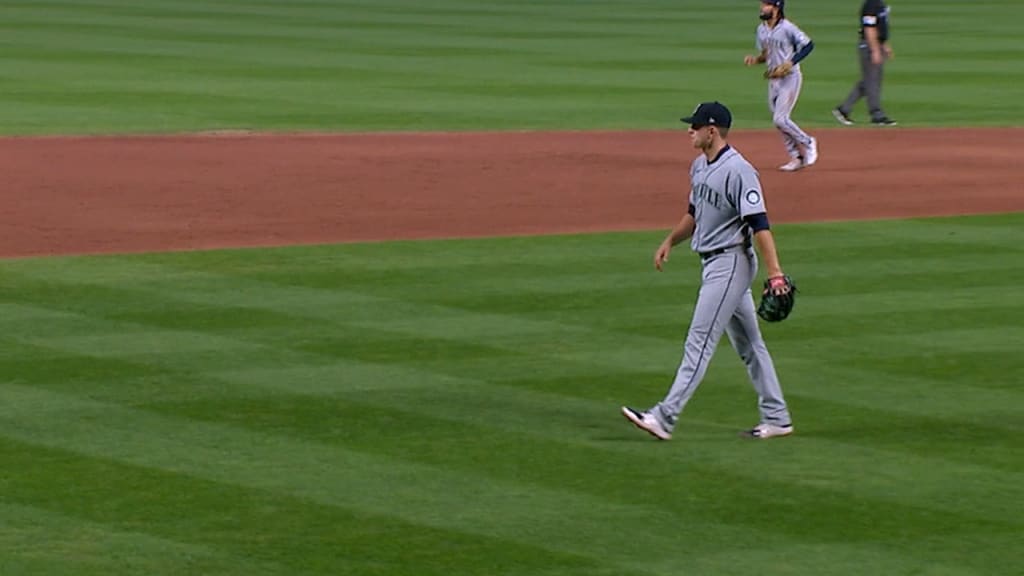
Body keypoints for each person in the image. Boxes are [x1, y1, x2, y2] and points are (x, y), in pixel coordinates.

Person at [621, 101, 795, 441]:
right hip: (713, 262)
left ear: (711, 131)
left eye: (695, 126)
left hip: (732, 262)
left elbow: (760, 224)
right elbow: (694, 213)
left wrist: (774, 273)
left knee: (698, 341)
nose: (689, 130)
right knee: (749, 344)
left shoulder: (740, 171)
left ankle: (664, 417)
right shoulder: (699, 166)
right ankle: (777, 416)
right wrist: (670, 240)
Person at [744, 0, 818, 172]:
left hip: (790, 78)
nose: (762, 8)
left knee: (780, 119)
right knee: (779, 122)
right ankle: (796, 157)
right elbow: (765, 54)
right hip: (773, 80)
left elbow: (809, 45)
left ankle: (808, 142)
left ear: (776, 8)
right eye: (762, 4)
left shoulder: (787, 28)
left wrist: (790, 63)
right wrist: (755, 60)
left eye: (766, 5)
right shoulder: (761, 29)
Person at [833, 0, 897, 126]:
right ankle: (876, 113)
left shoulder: (879, 3)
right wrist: (874, 50)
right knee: (872, 81)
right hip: (869, 46)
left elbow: (880, 27)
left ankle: (843, 109)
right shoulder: (871, 4)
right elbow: (869, 28)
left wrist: (884, 45)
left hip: (876, 44)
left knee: (869, 80)